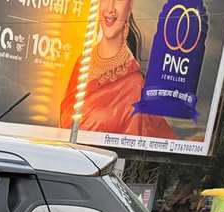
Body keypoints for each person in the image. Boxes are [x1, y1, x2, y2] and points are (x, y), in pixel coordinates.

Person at [58, 0, 173, 138]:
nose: (110, 8)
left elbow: (132, 145)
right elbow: (64, 125)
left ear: (130, 6)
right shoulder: (83, 62)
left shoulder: (133, 85)